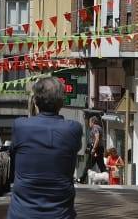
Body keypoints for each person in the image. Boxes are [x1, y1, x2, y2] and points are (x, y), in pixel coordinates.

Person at [9, 76, 83, 219]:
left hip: (22, 214)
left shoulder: (20, 126)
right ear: (61, 103)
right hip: (60, 214)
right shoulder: (73, 129)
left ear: (36, 101)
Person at [82, 115, 104, 183]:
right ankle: (107, 177)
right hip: (99, 148)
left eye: (90, 122)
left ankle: (82, 179)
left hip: (96, 148)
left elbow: (97, 139)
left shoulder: (95, 128)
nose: (89, 124)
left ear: (93, 122)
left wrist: (94, 149)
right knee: (101, 165)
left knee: (89, 164)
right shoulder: (100, 127)